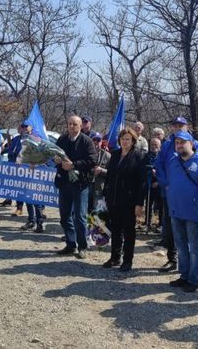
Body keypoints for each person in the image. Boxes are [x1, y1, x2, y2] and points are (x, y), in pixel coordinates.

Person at [159, 130, 198, 292]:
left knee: (195, 247)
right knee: (181, 246)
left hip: (195, 214)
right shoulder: (173, 161)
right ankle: (184, 275)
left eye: (182, 142)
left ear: (191, 144)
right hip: (176, 211)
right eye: (177, 143)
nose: (178, 145)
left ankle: (193, 280)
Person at [154, 117, 198, 272]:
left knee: (190, 229)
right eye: (175, 125)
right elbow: (159, 165)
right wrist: (166, 184)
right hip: (170, 193)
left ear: (187, 127)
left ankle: (190, 264)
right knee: (170, 226)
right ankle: (172, 258)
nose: (178, 128)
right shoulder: (168, 145)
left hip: (190, 196)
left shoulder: (195, 144)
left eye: (181, 125)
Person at [101, 128, 147, 272]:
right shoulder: (114, 155)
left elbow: (142, 182)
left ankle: (127, 260)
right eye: (122, 139)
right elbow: (109, 177)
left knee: (128, 232)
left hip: (129, 201)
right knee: (115, 230)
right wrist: (105, 195)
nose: (125, 141)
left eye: (128, 139)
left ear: (133, 141)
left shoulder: (139, 157)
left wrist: (139, 203)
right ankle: (115, 257)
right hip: (113, 199)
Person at [54, 115, 96, 259]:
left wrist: (74, 165)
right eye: (70, 124)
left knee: (79, 217)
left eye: (75, 124)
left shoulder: (87, 141)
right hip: (64, 183)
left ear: (80, 126)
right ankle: (70, 244)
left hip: (80, 184)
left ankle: (82, 246)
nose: (72, 126)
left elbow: (92, 160)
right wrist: (57, 160)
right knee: (64, 216)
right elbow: (56, 154)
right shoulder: (62, 139)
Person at [89, 132, 111, 213]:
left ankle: (95, 225)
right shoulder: (85, 153)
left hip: (99, 187)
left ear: (101, 142)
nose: (96, 142)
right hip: (85, 186)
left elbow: (112, 173)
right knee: (84, 208)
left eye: (98, 140)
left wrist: (101, 170)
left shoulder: (107, 156)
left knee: (97, 210)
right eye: (94, 140)